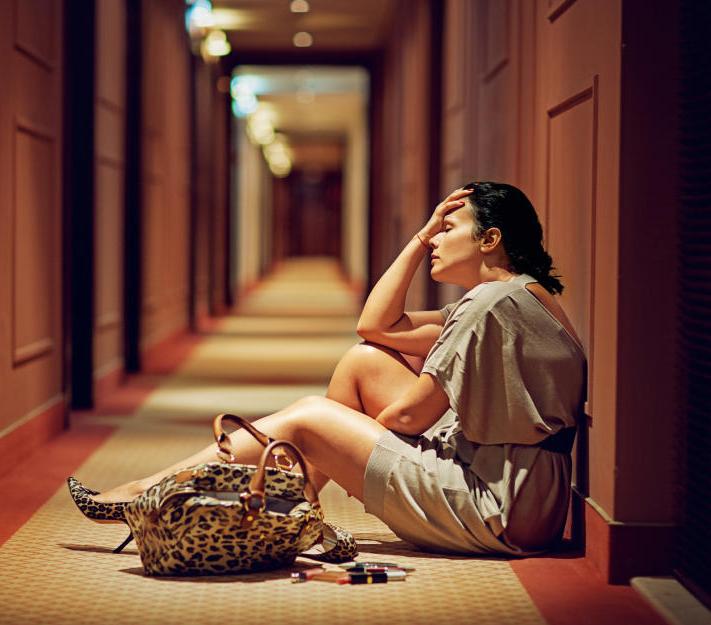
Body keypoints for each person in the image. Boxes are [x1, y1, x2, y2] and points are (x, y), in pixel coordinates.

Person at [69, 181, 586, 555]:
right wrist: (416, 236)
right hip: (527, 493)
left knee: (311, 418)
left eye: (447, 229)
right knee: (362, 364)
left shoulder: (487, 305)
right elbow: (375, 327)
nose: (434, 240)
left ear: (489, 239)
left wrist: (348, 448)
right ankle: (296, 511)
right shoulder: (513, 296)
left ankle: (150, 491)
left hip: (497, 504)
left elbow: (411, 418)